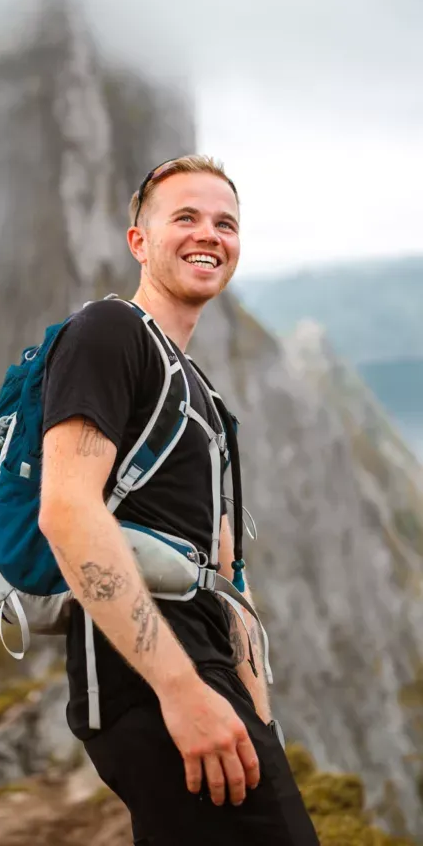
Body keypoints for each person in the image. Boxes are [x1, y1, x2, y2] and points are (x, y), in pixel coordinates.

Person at [39, 156, 319, 845]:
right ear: (139, 241)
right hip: (149, 681)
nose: (209, 235)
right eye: (186, 217)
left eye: (226, 223)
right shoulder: (109, 331)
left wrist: (258, 716)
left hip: (202, 671)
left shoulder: (199, 389)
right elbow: (67, 511)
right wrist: (181, 690)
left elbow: (225, 577)